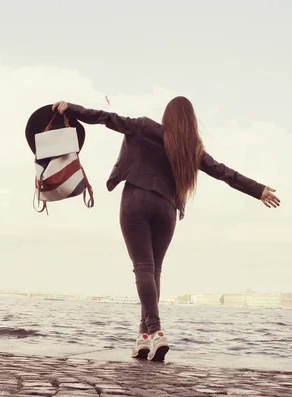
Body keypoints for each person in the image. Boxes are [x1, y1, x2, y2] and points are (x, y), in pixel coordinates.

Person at [52, 97, 280, 361]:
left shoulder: (145, 127)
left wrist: (73, 109)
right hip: (166, 210)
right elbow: (224, 173)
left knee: (143, 268)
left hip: (137, 200)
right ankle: (144, 339)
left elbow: (106, 117)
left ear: (168, 116)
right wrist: (258, 190)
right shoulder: (190, 150)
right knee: (153, 270)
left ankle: (155, 330)